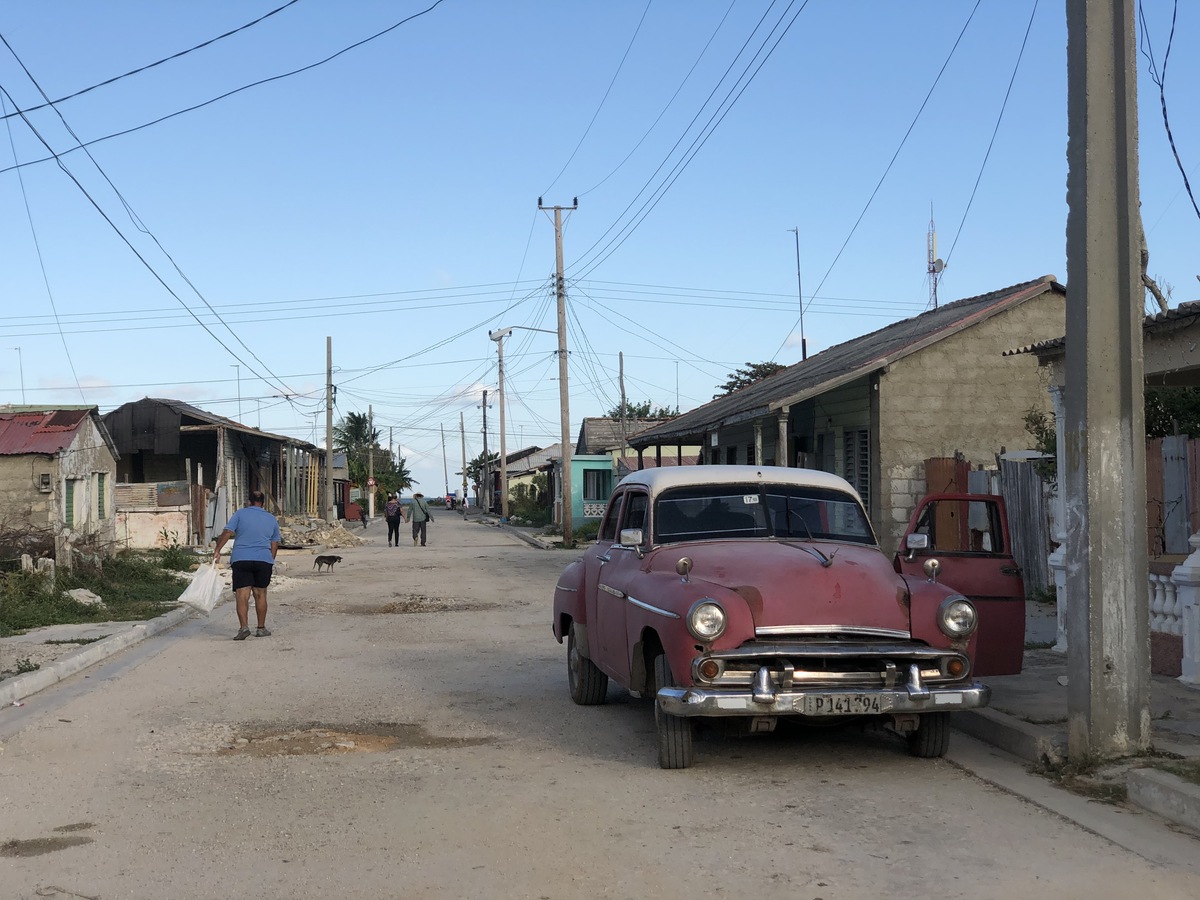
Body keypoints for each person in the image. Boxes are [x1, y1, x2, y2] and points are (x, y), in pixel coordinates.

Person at [212, 489, 281, 640]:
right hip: (263, 560)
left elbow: (227, 532)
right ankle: (261, 628)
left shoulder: (240, 514)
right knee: (260, 594)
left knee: (242, 595)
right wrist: (270, 559)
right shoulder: (271, 518)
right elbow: (274, 542)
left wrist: (217, 550)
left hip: (241, 559)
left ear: (249, 502)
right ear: (263, 503)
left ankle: (244, 627)